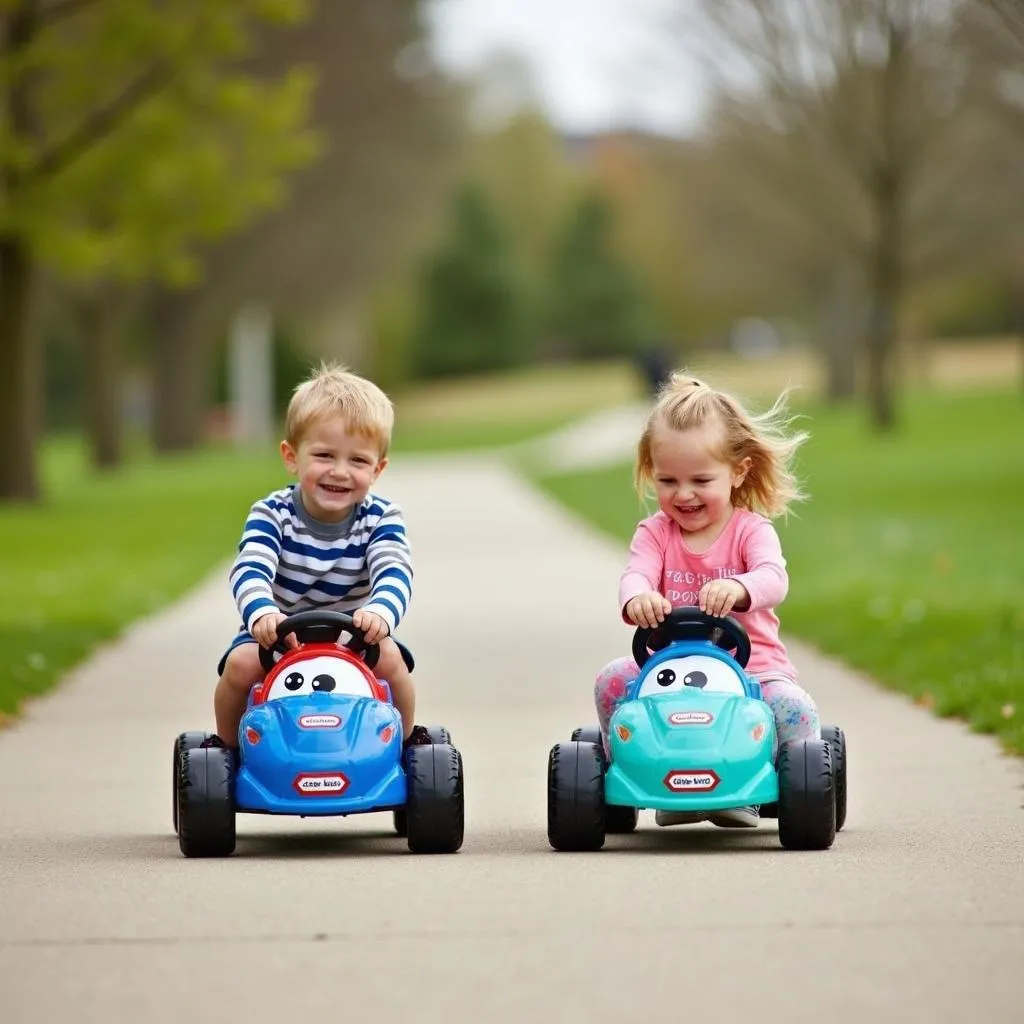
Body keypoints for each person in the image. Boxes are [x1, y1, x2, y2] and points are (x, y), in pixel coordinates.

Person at [593, 372, 819, 829]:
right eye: (668, 480)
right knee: (611, 680)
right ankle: (627, 768)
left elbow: (774, 578)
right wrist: (639, 598)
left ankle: (791, 781)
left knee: (796, 709)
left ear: (738, 472)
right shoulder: (655, 532)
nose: (684, 494)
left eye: (700, 479)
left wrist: (740, 588)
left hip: (751, 671)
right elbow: (635, 572)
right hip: (666, 674)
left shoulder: (750, 531)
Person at [207, 362, 429, 756]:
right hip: (276, 637)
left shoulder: (381, 518)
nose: (340, 472)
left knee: (393, 663)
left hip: (355, 636)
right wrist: (261, 614)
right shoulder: (271, 514)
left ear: (378, 469)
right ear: (292, 457)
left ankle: (408, 745)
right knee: (239, 666)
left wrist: (380, 613)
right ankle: (224, 752)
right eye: (325, 455)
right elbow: (250, 568)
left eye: (358, 461)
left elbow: (395, 570)